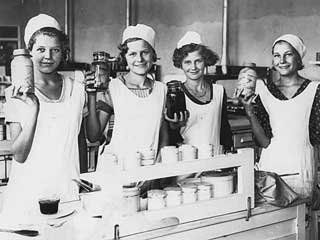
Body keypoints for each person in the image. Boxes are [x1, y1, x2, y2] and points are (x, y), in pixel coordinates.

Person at [2, 14, 86, 217]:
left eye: (55, 50)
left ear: (63, 53)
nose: (48, 56)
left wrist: (84, 179)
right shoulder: (16, 93)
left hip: (68, 189)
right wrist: (33, 110)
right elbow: (19, 154)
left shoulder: (77, 89)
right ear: (29, 52)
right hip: (28, 193)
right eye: (40, 49)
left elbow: (80, 140)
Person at [238, 34, 320, 239]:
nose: (282, 60)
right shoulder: (263, 92)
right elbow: (264, 141)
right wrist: (249, 111)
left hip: (302, 172)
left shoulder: (315, 91)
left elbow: (317, 139)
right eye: (276, 55)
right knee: (272, 231)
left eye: (288, 54)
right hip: (270, 176)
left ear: (299, 59)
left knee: (301, 228)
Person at [85, 24, 169, 171]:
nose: (140, 59)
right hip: (115, 171)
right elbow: (93, 136)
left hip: (149, 172)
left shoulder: (162, 90)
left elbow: (163, 136)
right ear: (124, 57)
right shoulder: (113, 88)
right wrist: (91, 96)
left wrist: (158, 169)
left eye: (145, 52)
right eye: (132, 54)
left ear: (153, 55)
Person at [169, 31, 232, 155]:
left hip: (215, 163)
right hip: (187, 164)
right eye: (187, 62)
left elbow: (225, 129)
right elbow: (171, 137)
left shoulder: (219, 91)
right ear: (180, 65)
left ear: (206, 61)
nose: (193, 67)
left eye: (198, 61)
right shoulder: (176, 94)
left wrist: (230, 155)